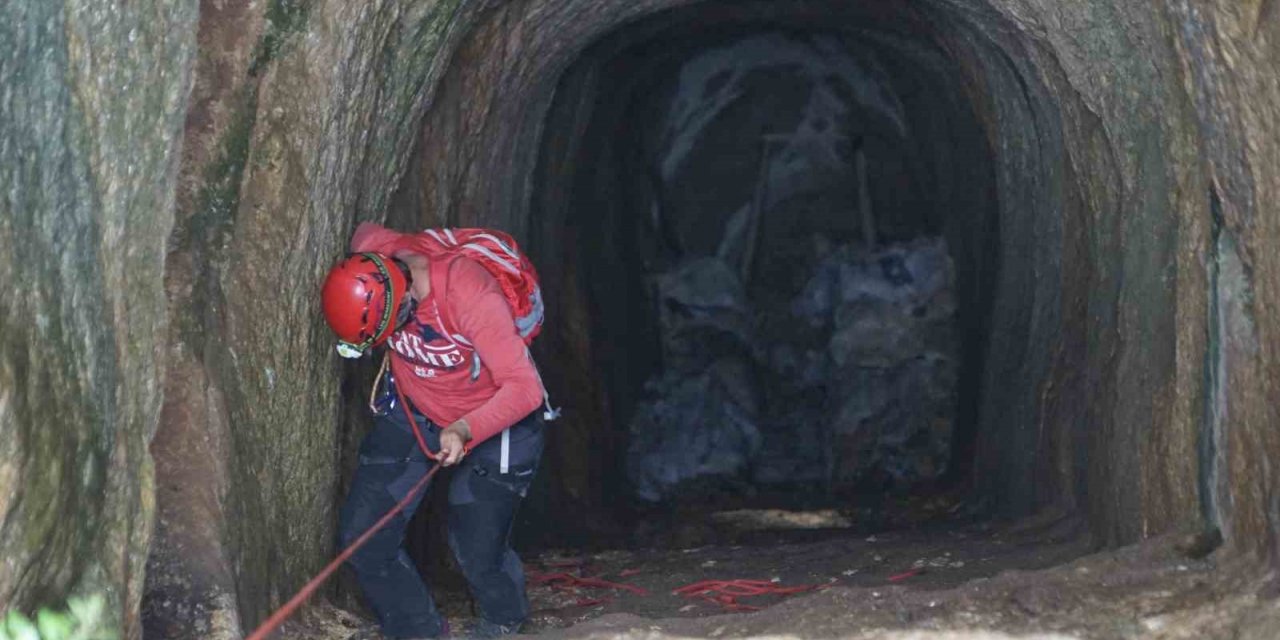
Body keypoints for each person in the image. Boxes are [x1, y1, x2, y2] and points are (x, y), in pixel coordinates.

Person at [321, 222, 547, 639]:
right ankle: (417, 630)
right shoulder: (374, 251)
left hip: (495, 415)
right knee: (364, 537)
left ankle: (503, 620)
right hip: (415, 409)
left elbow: (526, 387)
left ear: (403, 297)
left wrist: (465, 428)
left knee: (476, 548)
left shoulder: (469, 294)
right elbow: (363, 232)